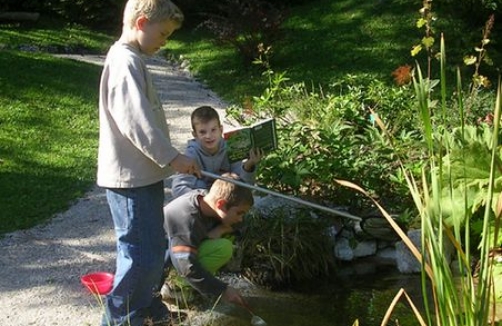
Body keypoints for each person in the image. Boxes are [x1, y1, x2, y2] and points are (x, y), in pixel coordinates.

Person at [96, 1, 200, 325]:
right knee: (139, 256)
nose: (165, 41)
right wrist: (172, 157)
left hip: (144, 177)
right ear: (142, 23)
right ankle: (120, 318)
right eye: (163, 34)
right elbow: (136, 123)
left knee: (153, 248)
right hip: (130, 181)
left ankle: (143, 305)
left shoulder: (134, 59)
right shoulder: (124, 62)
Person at [162, 173, 254, 307]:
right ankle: (174, 287)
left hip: (181, 252)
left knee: (228, 238)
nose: (240, 218)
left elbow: (239, 225)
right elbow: (187, 267)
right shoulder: (187, 220)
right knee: (223, 247)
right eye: (239, 213)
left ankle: (191, 285)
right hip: (165, 262)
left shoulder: (208, 200)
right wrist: (222, 289)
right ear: (221, 204)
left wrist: (221, 229)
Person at [170, 105, 263, 198]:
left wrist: (248, 166)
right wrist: (205, 198)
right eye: (202, 132)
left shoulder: (230, 148)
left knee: (235, 189)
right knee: (199, 184)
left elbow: (245, 186)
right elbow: (177, 188)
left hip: (226, 199)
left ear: (221, 130)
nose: (209, 136)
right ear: (195, 135)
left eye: (213, 130)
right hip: (203, 202)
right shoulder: (192, 154)